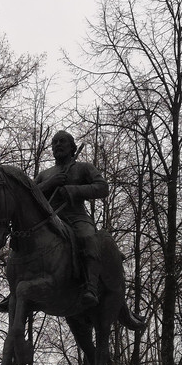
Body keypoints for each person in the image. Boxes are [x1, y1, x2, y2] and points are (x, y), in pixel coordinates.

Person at [36, 130, 109, 308]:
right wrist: (50, 183)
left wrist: (73, 190)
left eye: (62, 141)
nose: (57, 145)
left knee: (88, 238)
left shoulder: (83, 168)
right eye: (54, 143)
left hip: (76, 217)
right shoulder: (45, 174)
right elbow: (30, 194)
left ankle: (91, 286)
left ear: (72, 147)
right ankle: (16, 288)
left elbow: (102, 188)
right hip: (49, 220)